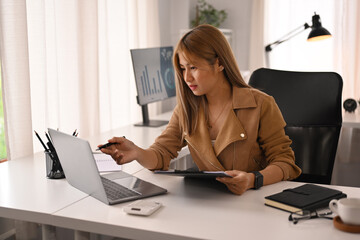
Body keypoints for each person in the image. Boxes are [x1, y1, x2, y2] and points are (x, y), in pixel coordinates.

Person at [99, 24, 301, 195]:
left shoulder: (261, 105)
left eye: (193, 68)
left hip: (252, 203)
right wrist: (137, 152)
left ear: (219, 63)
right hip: (208, 202)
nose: (186, 78)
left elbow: (285, 163)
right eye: (183, 68)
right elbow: (161, 154)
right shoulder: (187, 108)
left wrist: (252, 179)